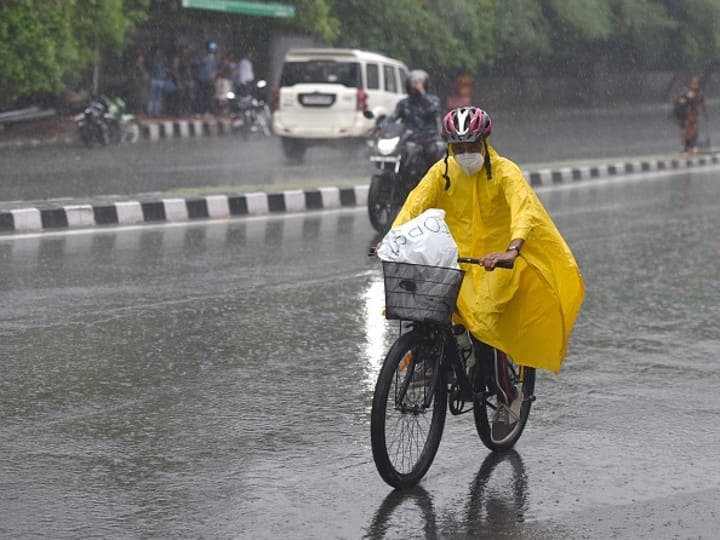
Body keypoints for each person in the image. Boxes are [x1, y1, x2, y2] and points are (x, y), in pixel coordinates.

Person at [390, 106, 585, 439]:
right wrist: (392, 240)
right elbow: (414, 205)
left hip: (497, 264)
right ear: (450, 147)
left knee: (484, 324)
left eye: (471, 146)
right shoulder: (442, 172)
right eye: (459, 147)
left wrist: (512, 249)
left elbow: (524, 210)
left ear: (484, 143)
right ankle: (425, 360)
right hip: (457, 260)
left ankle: (510, 396)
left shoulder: (506, 172)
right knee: (421, 299)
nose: (466, 154)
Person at [383, 69, 442, 172]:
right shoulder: (404, 103)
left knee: (434, 155)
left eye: (419, 82)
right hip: (409, 140)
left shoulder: (433, 101)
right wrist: (381, 125)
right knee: (398, 155)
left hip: (429, 140)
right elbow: (393, 117)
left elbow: (433, 109)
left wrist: (422, 92)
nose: (415, 85)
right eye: (413, 82)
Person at [676, 75, 708, 156]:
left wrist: (705, 114)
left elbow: (702, 104)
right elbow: (681, 102)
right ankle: (686, 147)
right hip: (687, 115)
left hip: (693, 115)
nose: (695, 85)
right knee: (687, 131)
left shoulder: (699, 94)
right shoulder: (688, 93)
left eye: (696, 83)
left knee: (694, 131)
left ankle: (691, 146)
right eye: (693, 83)